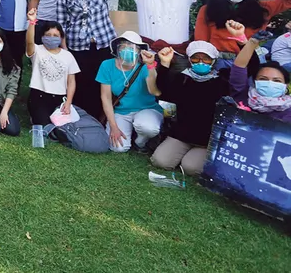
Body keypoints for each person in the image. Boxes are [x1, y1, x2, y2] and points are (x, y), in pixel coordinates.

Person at [55, 0, 118, 121]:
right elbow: (61, 26)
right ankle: (80, 119)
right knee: (81, 83)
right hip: (77, 49)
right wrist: (65, 50)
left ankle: (100, 119)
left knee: (102, 84)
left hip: (103, 46)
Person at [148, 41, 228, 176]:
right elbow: (164, 92)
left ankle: (190, 158)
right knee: (160, 161)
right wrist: (165, 64)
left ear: (213, 61)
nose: (200, 62)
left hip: (205, 140)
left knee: (190, 167)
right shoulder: (182, 78)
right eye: (196, 58)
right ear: (190, 59)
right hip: (181, 135)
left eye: (206, 58)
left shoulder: (221, 83)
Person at [195, 0, 291, 64]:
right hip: (219, 61)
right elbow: (201, 41)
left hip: (251, 60)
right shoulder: (208, 9)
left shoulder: (261, 8)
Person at [97, 32, 162, 153]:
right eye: (124, 46)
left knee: (148, 127)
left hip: (146, 108)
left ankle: (140, 142)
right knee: (118, 148)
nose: (128, 49)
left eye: (132, 47)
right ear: (117, 48)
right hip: (121, 111)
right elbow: (105, 97)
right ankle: (128, 134)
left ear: (139, 51)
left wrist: (151, 67)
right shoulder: (107, 65)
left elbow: (154, 91)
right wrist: (113, 126)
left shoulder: (145, 66)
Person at [228, 20, 290, 122]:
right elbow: (239, 67)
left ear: (286, 85)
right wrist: (252, 42)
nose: (270, 83)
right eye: (263, 79)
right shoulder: (242, 96)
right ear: (255, 82)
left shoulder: (288, 111)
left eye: (277, 81)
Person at [25, 9, 78, 126]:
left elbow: (71, 82)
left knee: (61, 128)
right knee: (45, 126)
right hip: (39, 97)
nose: (51, 37)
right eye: (48, 35)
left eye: (55, 35)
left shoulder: (68, 56)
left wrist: (68, 103)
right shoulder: (37, 50)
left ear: (61, 38)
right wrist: (32, 22)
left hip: (59, 99)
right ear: (42, 36)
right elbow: (29, 42)